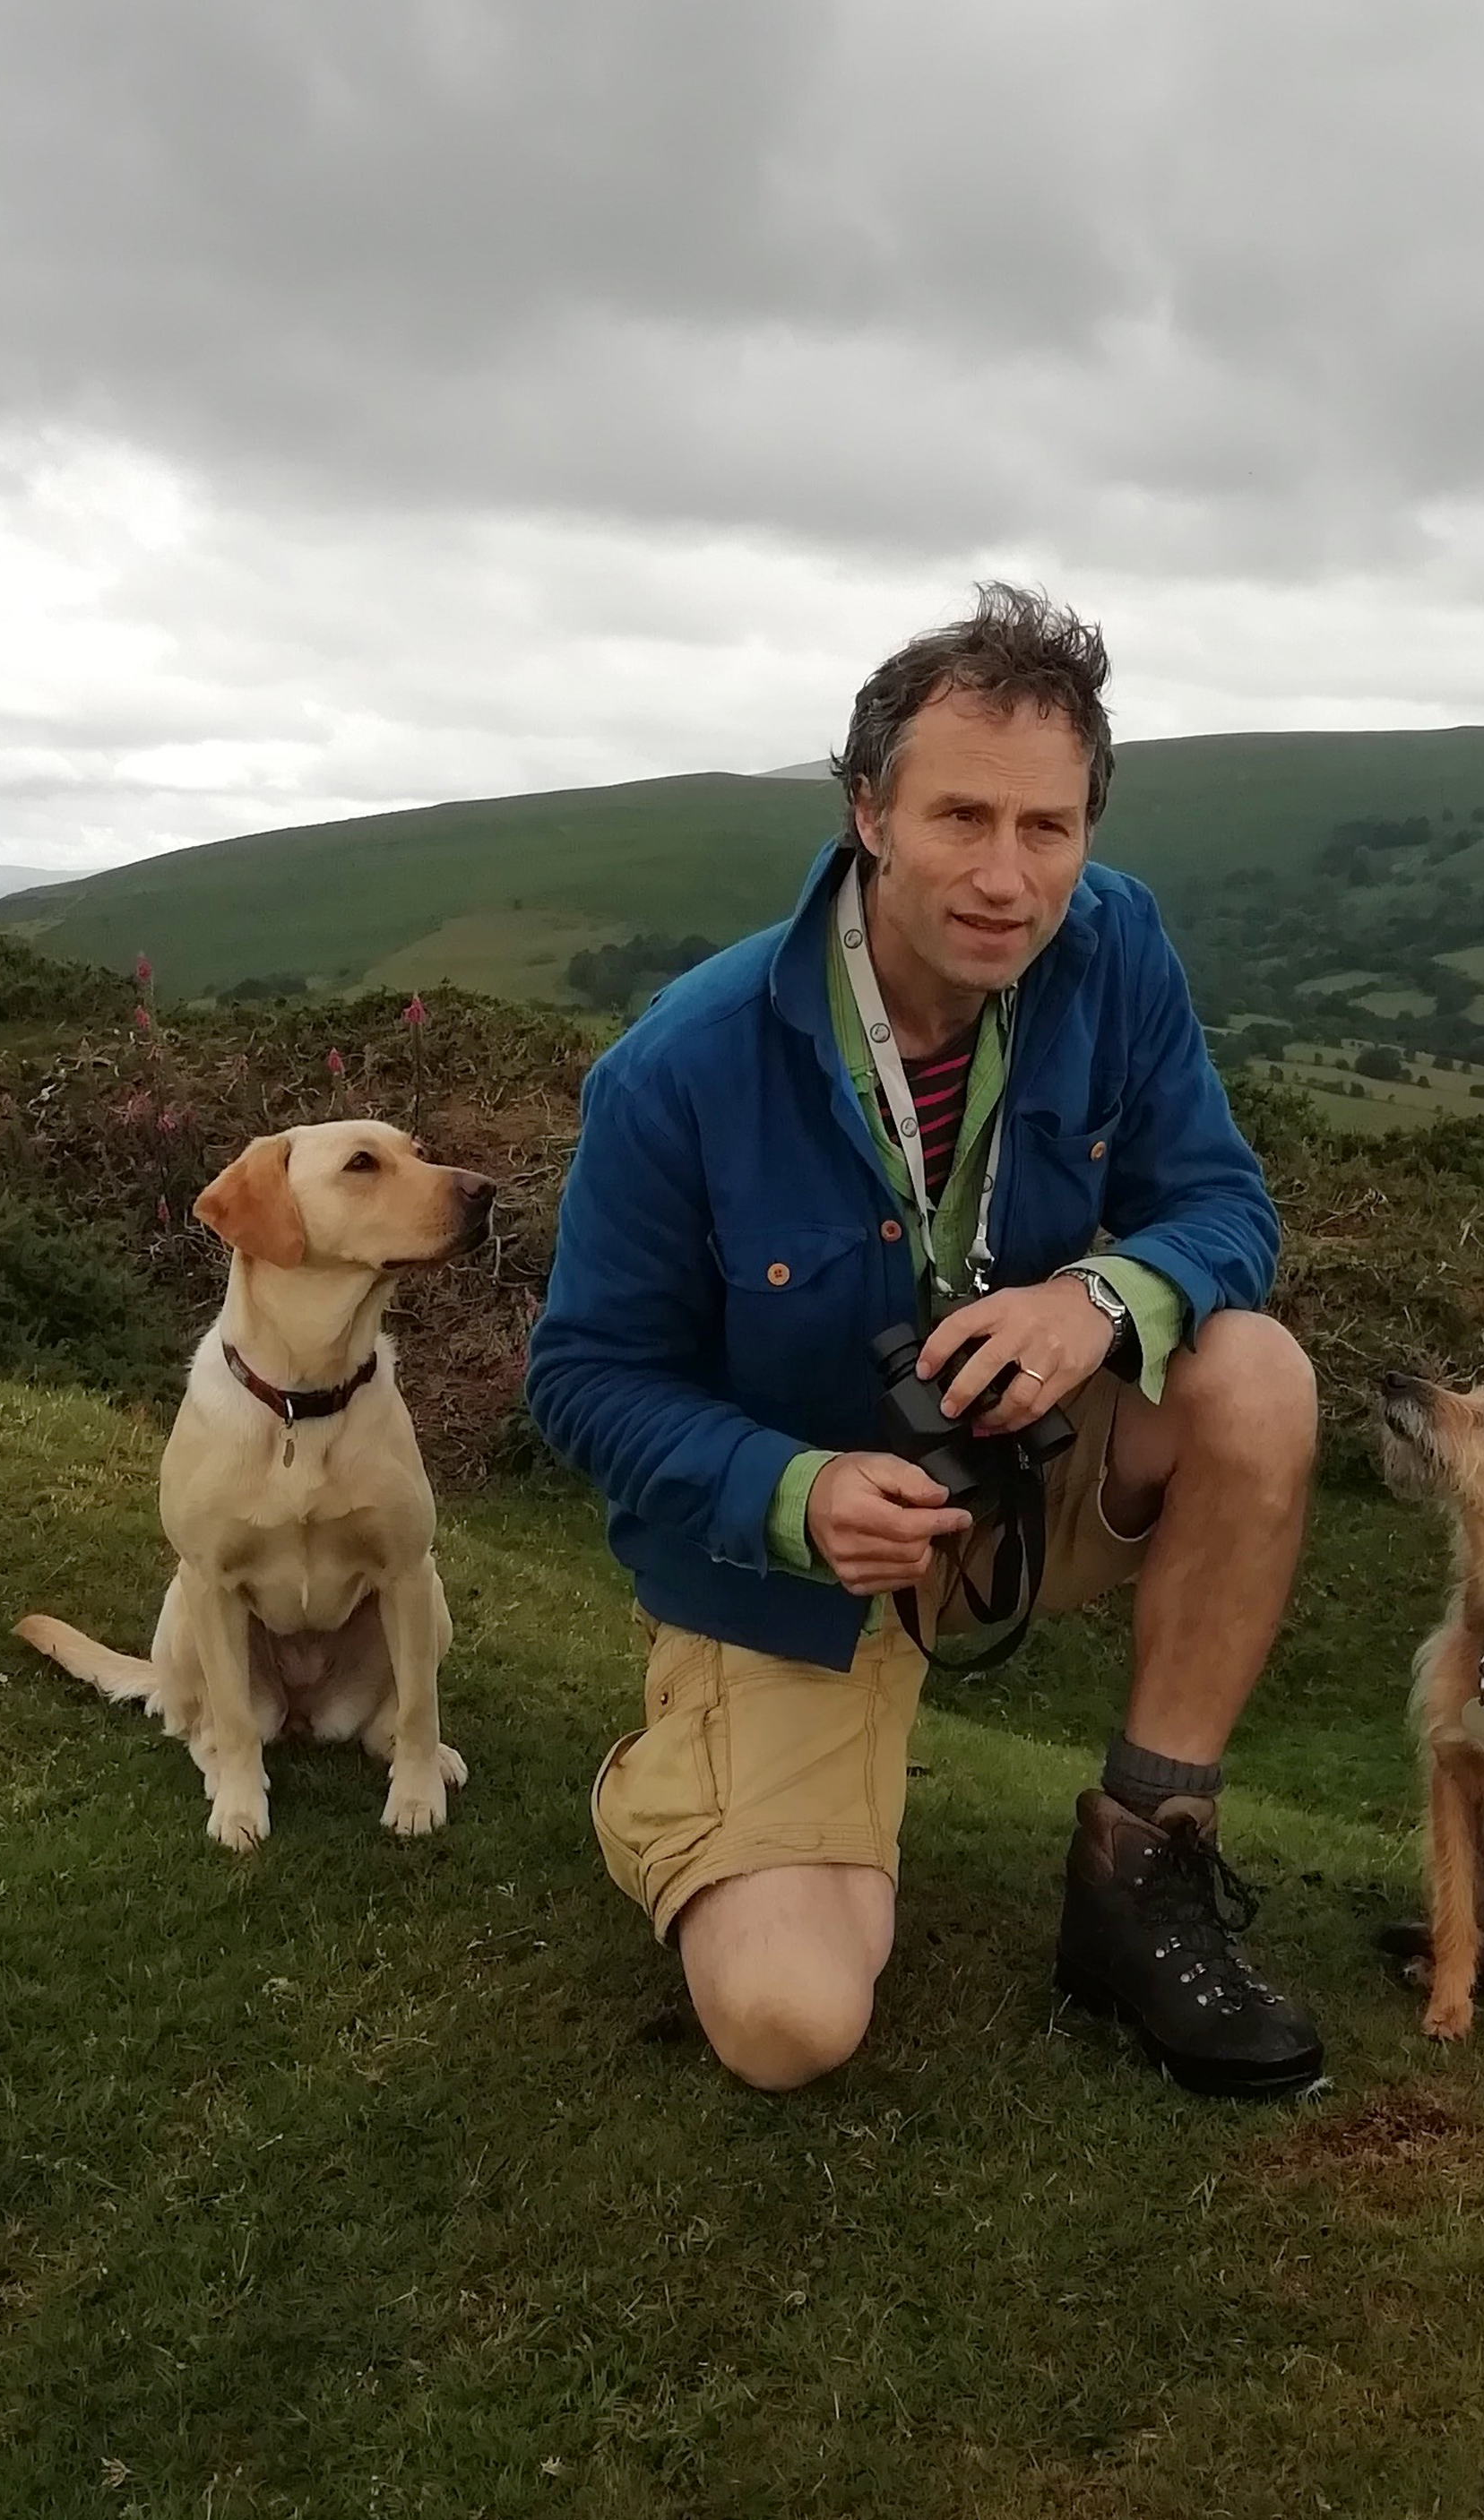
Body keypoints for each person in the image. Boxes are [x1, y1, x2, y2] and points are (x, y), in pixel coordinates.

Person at [527, 584, 1323, 2097]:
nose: (1009, 879)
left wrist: (1099, 1299)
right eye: (962, 817)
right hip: (794, 1565)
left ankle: (1143, 1873)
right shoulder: (680, 1070)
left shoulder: (1116, 948)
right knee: (787, 2025)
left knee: (1255, 1377)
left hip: (1006, 1496)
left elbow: (1221, 1205)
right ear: (868, 814)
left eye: (1050, 828)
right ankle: (674, 1780)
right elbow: (582, 1379)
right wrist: (791, 1492)